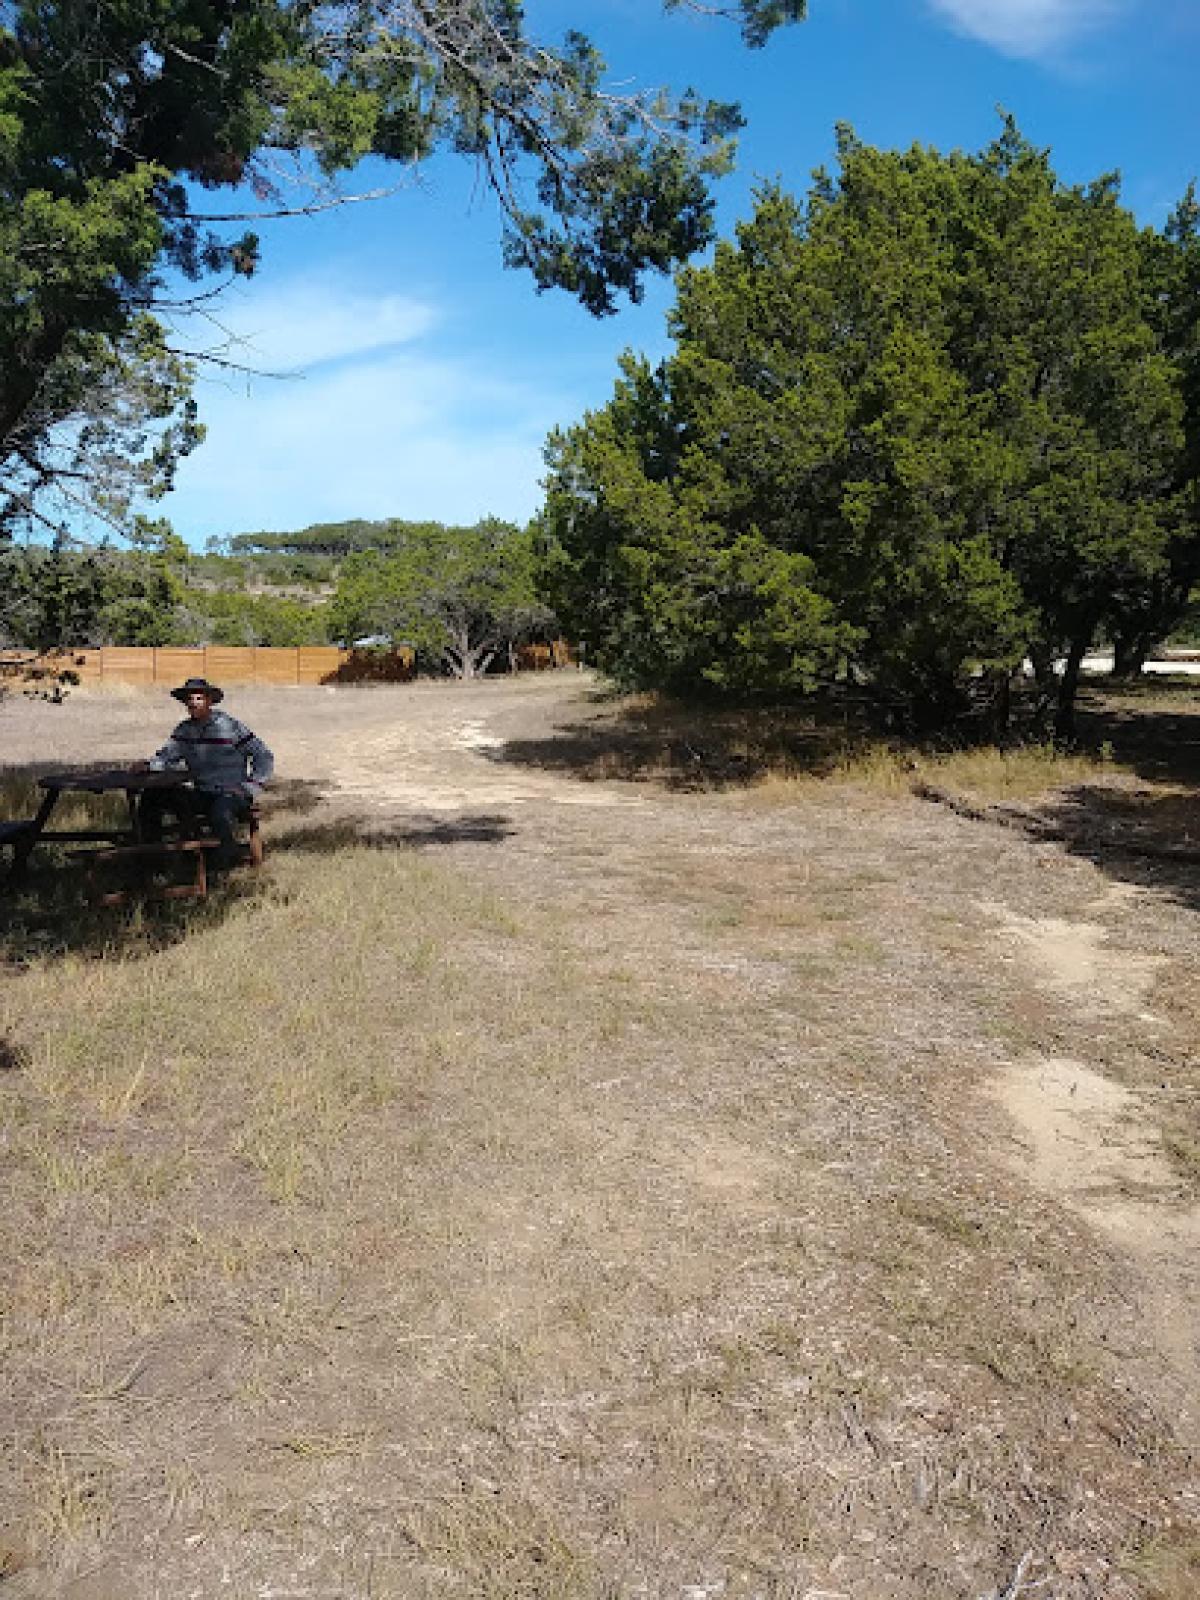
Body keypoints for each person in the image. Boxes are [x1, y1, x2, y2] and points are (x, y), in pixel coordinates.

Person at [144, 677, 274, 869]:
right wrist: (148, 765)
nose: (193, 703)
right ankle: (152, 858)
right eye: (190, 699)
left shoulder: (230, 726)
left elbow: (263, 756)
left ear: (210, 701)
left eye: (198, 698)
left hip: (231, 793)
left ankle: (226, 864)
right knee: (152, 797)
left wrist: (249, 787)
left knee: (220, 813)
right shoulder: (184, 730)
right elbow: (167, 757)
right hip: (202, 792)